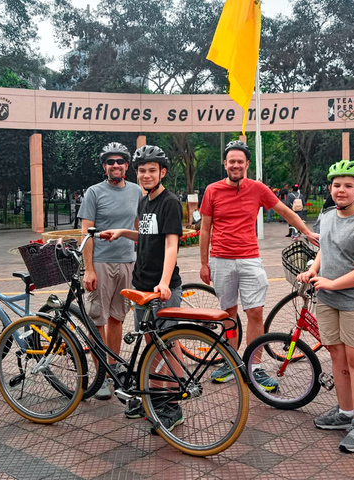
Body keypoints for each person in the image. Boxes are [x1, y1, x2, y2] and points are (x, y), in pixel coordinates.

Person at [199, 140, 317, 388]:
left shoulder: (258, 189)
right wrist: (203, 264)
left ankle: (255, 366)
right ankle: (230, 361)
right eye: (231, 161)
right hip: (220, 260)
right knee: (228, 313)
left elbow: (285, 211)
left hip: (250, 259)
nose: (235, 165)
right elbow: (205, 229)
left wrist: (306, 232)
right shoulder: (212, 190)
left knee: (255, 313)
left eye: (240, 161)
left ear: (247, 164)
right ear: (225, 163)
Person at [297, 159, 354, 453]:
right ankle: (345, 413)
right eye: (336, 185)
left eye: (348, 186)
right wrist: (312, 270)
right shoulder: (329, 216)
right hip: (328, 301)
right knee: (336, 357)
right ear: (330, 189)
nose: (341, 191)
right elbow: (325, 248)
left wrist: (332, 282)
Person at [99, 145, 185, 430]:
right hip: (141, 284)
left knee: (168, 345)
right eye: (142, 171)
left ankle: (172, 404)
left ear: (162, 172)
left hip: (162, 288)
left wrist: (164, 282)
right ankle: (154, 397)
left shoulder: (169, 202)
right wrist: (123, 232)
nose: (146, 175)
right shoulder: (144, 200)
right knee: (152, 344)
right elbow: (148, 235)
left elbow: (171, 244)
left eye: (152, 170)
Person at [78, 142, 142, 401]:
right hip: (102, 264)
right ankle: (100, 376)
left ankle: (114, 370)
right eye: (110, 162)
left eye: (120, 161)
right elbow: (86, 233)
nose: (115, 165)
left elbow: (140, 230)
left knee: (117, 318)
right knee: (97, 320)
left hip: (127, 263)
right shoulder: (94, 192)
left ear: (127, 165)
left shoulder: (137, 191)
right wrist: (89, 269)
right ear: (105, 166)